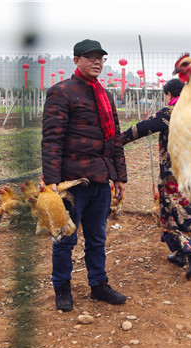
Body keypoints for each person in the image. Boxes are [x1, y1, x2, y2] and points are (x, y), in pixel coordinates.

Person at [42, 39, 128, 312]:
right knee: (65, 237)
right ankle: (62, 287)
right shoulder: (62, 92)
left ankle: (98, 284)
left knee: (97, 237)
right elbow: (52, 139)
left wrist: (120, 176)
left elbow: (114, 139)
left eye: (100, 58)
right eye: (90, 57)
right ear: (76, 60)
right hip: (73, 182)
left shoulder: (106, 95)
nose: (97, 62)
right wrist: (52, 180)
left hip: (101, 180)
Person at [120, 78, 191, 280]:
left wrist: (118, 141)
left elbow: (142, 128)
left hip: (174, 173)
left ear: (168, 94)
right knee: (174, 211)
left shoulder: (172, 111)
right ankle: (179, 253)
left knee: (178, 212)